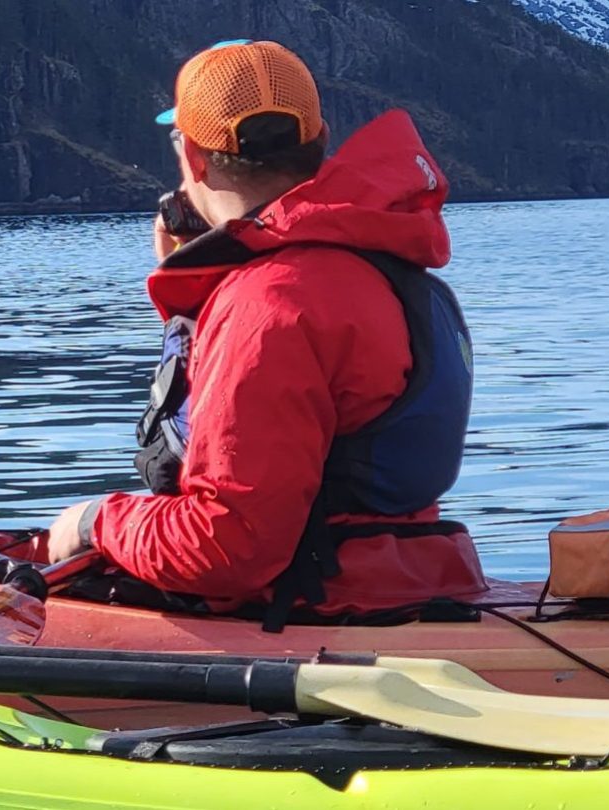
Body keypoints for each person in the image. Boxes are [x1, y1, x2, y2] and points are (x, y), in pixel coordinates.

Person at [43, 39, 488, 630]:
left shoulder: (268, 303)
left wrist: (94, 521)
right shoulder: (383, 268)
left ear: (193, 157)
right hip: (409, 583)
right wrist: (204, 303)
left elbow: (227, 549)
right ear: (320, 141)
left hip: (316, 610)